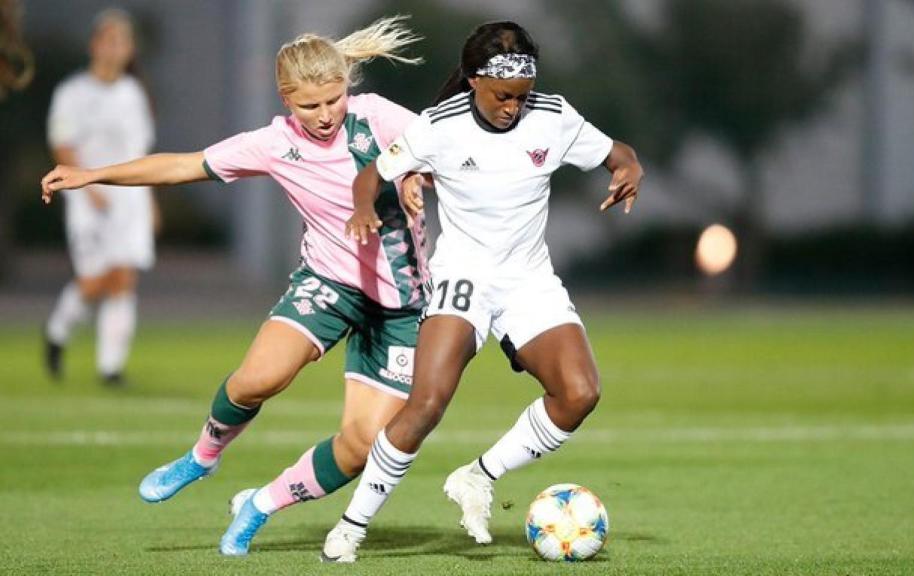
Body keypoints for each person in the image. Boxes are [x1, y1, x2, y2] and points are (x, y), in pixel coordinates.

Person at [41, 16, 429, 556]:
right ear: (285, 100)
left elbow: (438, 146)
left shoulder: (376, 116)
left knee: (363, 446)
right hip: (328, 285)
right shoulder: (272, 144)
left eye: (333, 100)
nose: (323, 115)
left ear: (347, 89)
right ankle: (202, 457)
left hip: (402, 307)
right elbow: (181, 165)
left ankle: (261, 503)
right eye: (308, 106)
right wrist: (91, 174)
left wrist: (413, 173)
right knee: (255, 380)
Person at [322, 20, 643, 563]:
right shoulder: (438, 127)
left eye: (520, 97)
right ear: (473, 81)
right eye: (502, 96)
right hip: (462, 276)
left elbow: (617, 152)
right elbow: (371, 177)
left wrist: (630, 167)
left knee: (580, 393)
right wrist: (361, 211)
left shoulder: (553, 116)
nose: (513, 108)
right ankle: (352, 527)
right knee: (425, 403)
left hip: (528, 279)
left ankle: (479, 474)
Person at [43, 9, 156, 385]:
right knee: (96, 280)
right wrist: (89, 189)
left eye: (123, 42)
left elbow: (143, 154)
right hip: (87, 199)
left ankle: (111, 367)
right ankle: (58, 329)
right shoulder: (72, 92)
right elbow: (63, 144)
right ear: (95, 45)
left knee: (124, 277)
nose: (116, 49)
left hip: (129, 200)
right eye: (109, 40)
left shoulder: (132, 94)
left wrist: (150, 200)